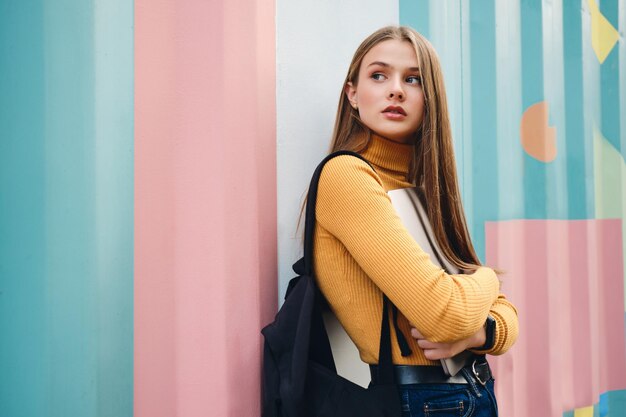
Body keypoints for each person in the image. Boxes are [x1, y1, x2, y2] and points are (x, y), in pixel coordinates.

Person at [312, 26, 518, 416]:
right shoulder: (348, 177)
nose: (396, 90)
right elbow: (442, 314)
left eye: (413, 79)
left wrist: (479, 333)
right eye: (378, 75)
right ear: (352, 94)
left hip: (470, 391)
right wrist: (488, 278)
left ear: (430, 99)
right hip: (422, 402)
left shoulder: (423, 188)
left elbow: (506, 316)